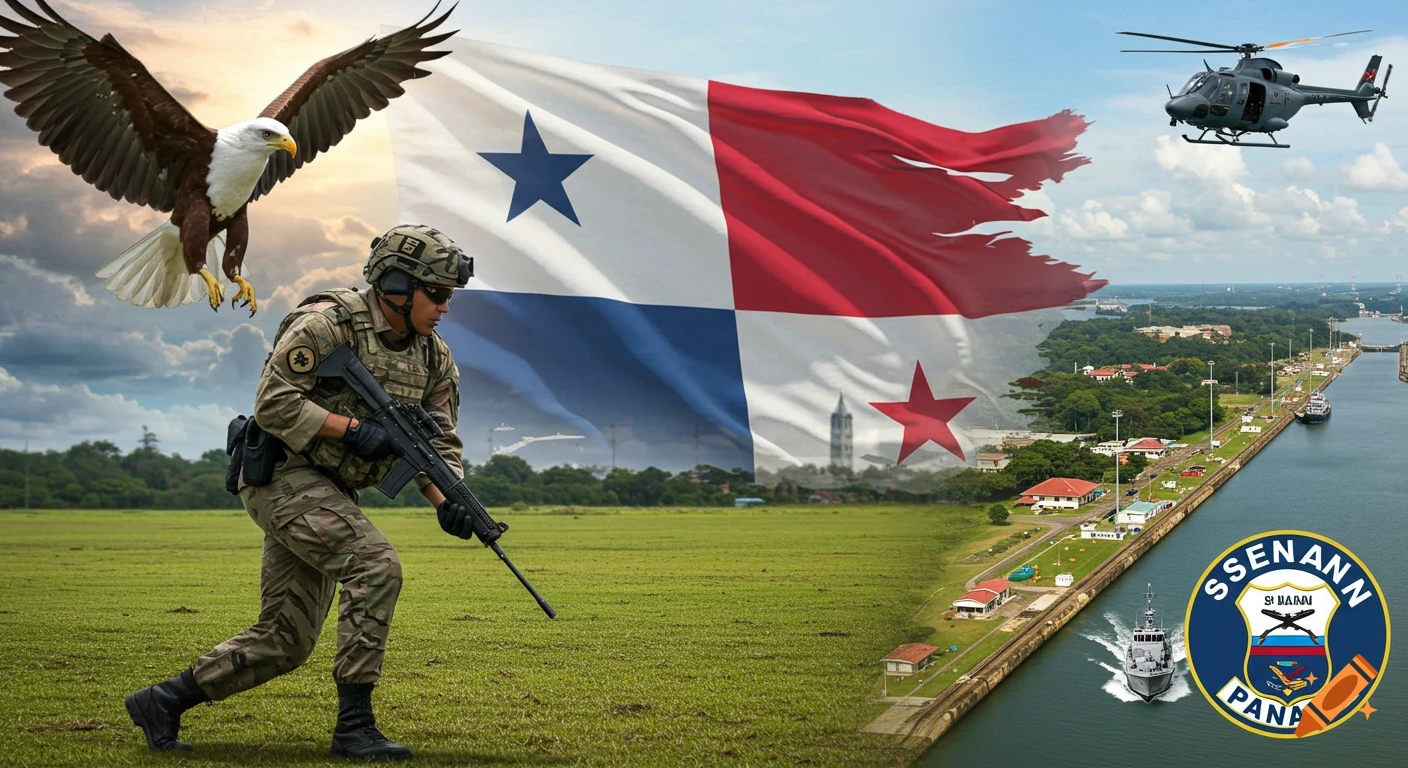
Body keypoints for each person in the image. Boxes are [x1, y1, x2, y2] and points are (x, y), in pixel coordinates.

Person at [123, 224, 480, 760]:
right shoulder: (328, 326)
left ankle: (162, 702)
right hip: (283, 475)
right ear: (397, 286)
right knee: (375, 565)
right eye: (438, 293)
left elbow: (435, 445)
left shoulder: (434, 358)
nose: (446, 306)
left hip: (334, 488)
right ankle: (355, 726)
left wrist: (447, 502)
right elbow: (272, 403)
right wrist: (354, 431)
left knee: (285, 640)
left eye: (450, 295)